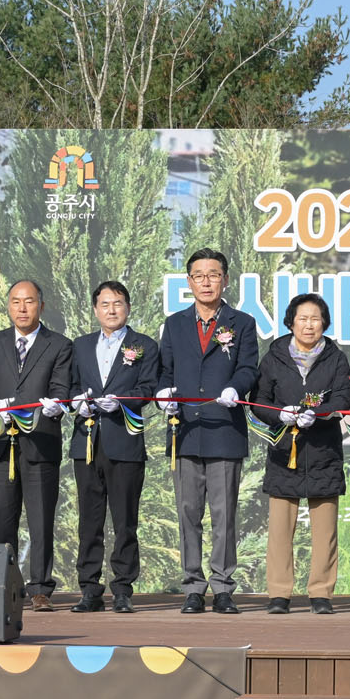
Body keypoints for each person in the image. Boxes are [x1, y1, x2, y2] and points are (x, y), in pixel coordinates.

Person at [154, 248, 259, 614]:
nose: (206, 282)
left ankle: (224, 587)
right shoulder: (175, 323)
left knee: (223, 514)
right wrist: (163, 396)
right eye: (199, 275)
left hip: (225, 430)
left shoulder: (242, 322)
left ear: (225, 280)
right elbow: (165, 372)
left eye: (213, 274)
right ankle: (193, 587)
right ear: (189, 282)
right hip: (184, 431)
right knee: (188, 513)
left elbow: (248, 368)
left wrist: (235, 388)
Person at [251, 292, 350, 614]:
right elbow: (259, 400)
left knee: (325, 532)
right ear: (291, 322)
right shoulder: (274, 357)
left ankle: (321, 593)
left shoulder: (336, 359)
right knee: (280, 531)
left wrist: (318, 414)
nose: (309, 325)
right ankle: (279, 594)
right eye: (303, 319)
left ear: (325, 323)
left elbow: (343, 398)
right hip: (284, 451)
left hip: (324, 451)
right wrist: (279, 414)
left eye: (315, 319)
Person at [0, 278, 73, 611]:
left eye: (29, 301)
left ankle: (40, 588)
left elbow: (61, 388)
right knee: (3, 518)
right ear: (8, 306)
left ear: (41, 306)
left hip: (40, 443)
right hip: (2, 444)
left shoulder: (59, 345)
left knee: (40, 520)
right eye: (16, 301)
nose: (22, 308)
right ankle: (5, 585)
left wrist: (55, 406)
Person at [68, 280, 160, 614]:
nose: (111, 310)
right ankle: (89, 589)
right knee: (89, 520)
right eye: (105, 304)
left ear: (128, 307)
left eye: (118, 303)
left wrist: (121, 401)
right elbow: (69, 386)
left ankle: (123, 589)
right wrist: (76, 403)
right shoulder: (80, 346)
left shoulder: (144, 345)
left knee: (125, 521)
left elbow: (148, 388)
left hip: (125, 441)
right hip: (87, 442)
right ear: (95, 309)